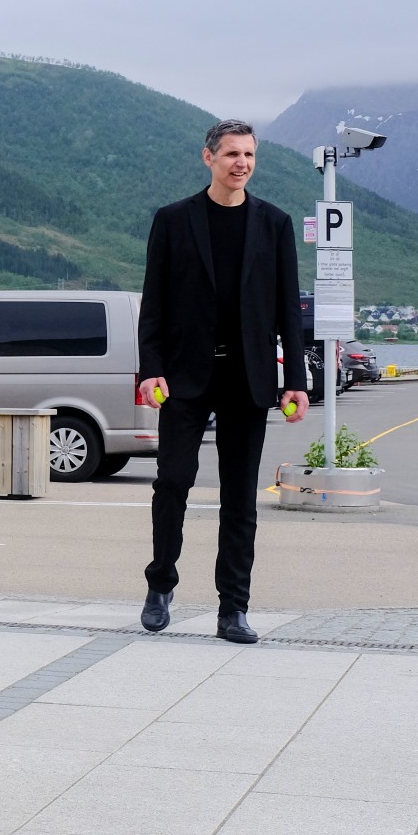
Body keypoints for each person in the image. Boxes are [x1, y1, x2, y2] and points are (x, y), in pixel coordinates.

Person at [137, 120, 308, 644]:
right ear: (208, 157)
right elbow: (155, 304)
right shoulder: (173, 221)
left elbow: (287, 309)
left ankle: (233, 608)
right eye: (232, 154)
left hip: (247, 377)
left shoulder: (274, 224)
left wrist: (295, 380)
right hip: (186, 376)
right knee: (173, 482)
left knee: (240, 496)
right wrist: (151, 369)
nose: (242, 163)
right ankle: (160, 584)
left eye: (249, 155)